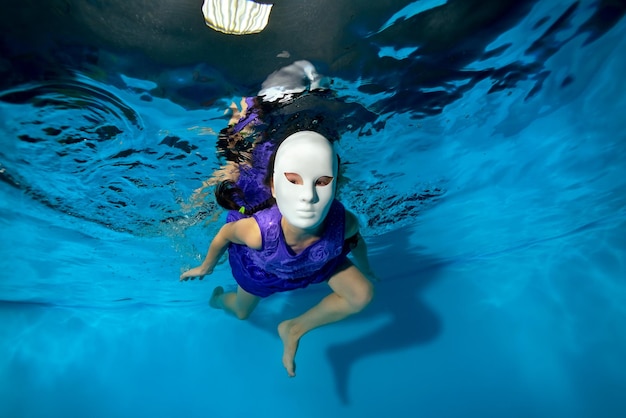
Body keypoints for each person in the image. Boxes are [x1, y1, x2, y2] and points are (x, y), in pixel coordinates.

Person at [180, 130, 376, 377]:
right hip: (264, 273)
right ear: (273, 187)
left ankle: (294, 328)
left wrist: (366, 267)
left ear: (335, 186)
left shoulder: (344, 222)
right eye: (293, 181)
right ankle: (218, 299)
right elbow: (225, 234)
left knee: (362, 294)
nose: (308, 196)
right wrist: (206, 267)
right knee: (241, 313)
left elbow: (356, 242)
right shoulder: (259, 232)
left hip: (319, 262)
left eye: (323, 182)